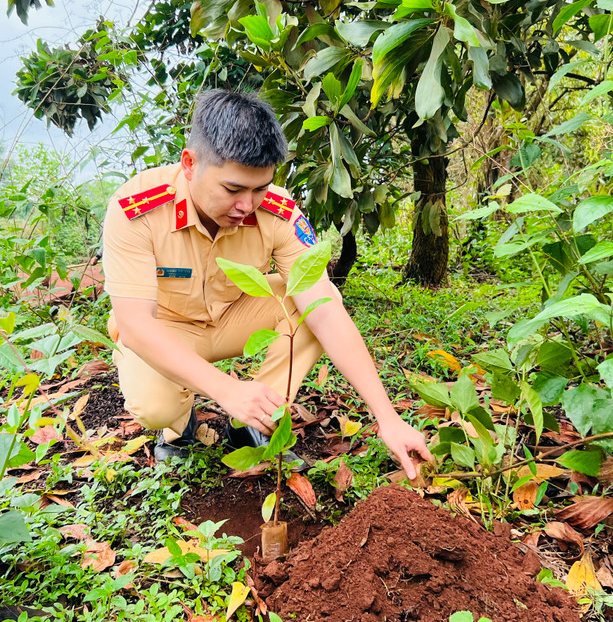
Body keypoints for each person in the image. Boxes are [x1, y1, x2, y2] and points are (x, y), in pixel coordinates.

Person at [102, 90, 432, 479]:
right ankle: (180, 429)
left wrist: (387, 417)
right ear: (190, 164)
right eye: (233, 189)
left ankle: (253, 424)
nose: (247, 205)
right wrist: (227, 391)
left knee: (312, 304)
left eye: (260, 188)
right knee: (154, 406)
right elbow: (138, 324)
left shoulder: (278, 212)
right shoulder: (138, 209)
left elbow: (325, 311)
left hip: (232, 317)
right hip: (169, 329)